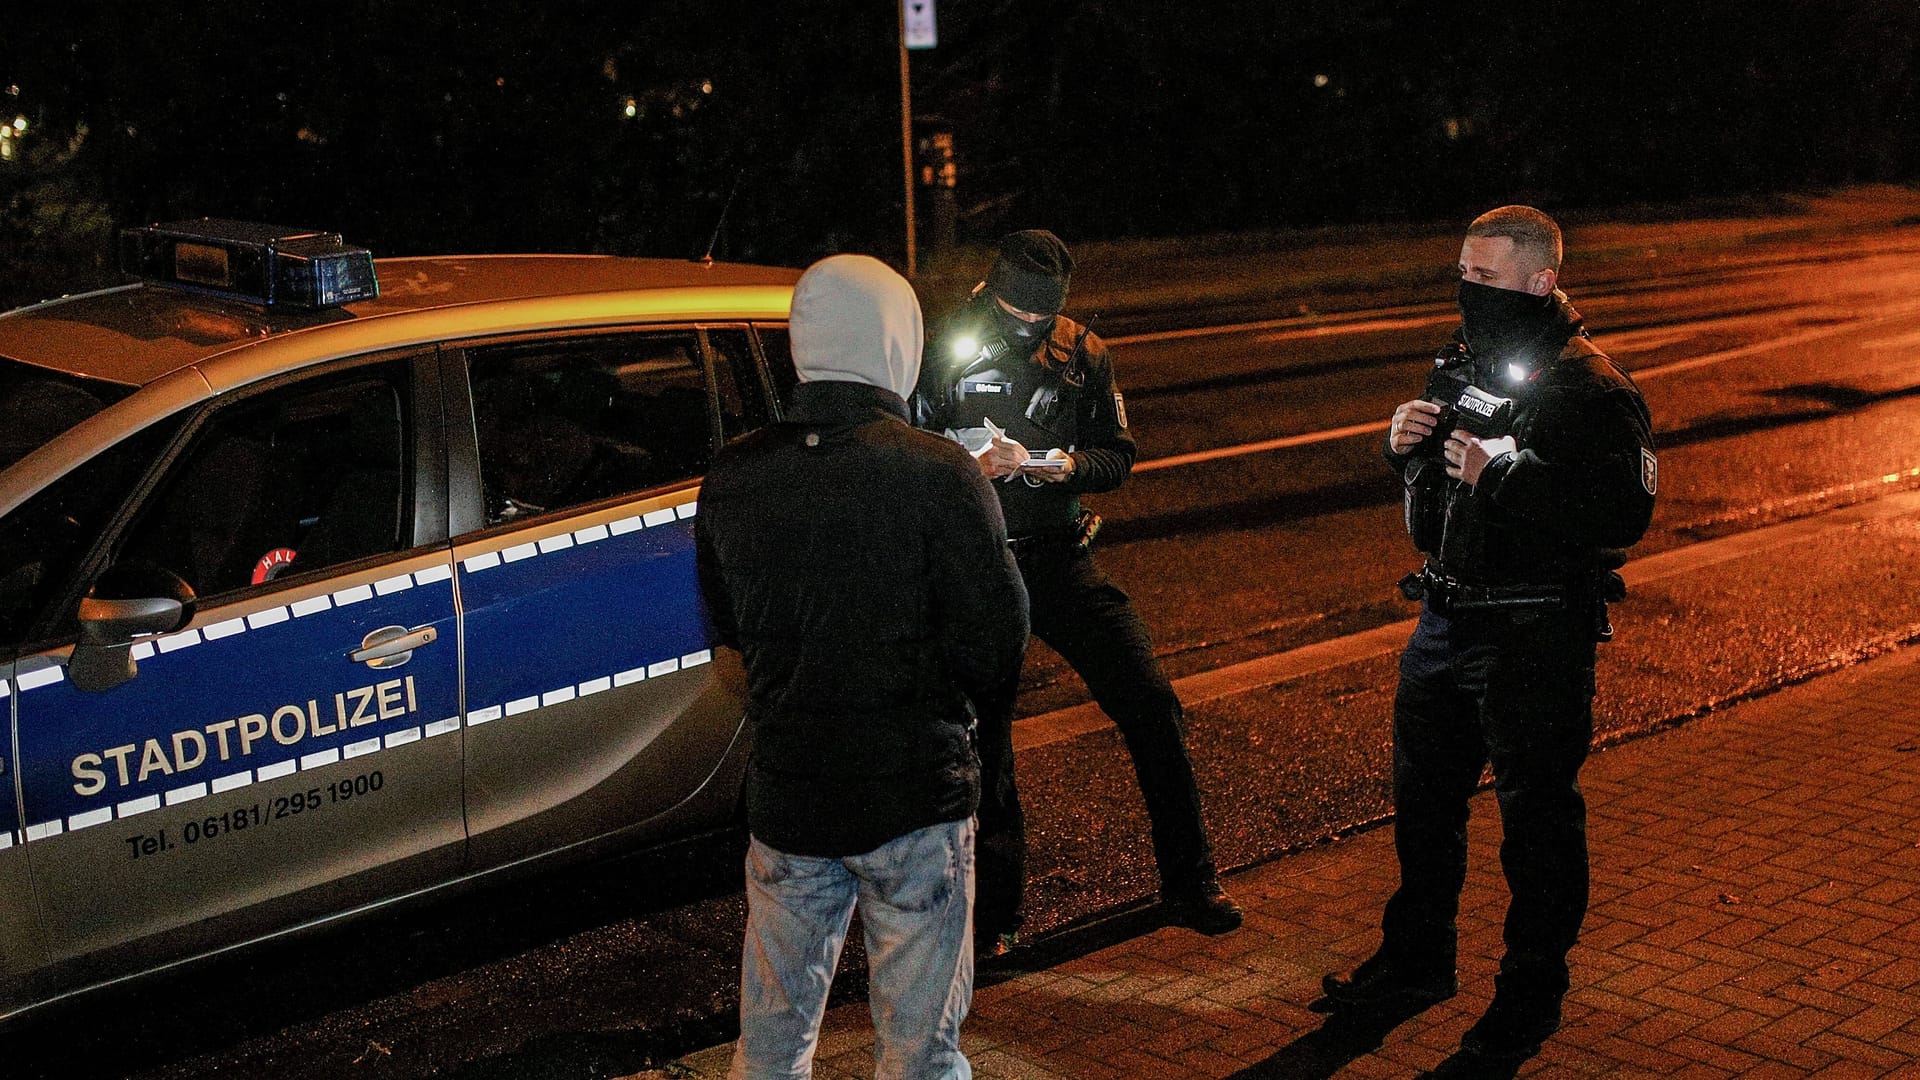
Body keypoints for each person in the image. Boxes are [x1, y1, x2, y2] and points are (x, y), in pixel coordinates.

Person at [1322, 206, 1657, 1062]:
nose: (1467, 292)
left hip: (1534, 635)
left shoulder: (1592, 387)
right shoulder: (1464, 360)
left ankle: (1530, 991)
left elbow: (1623, 514)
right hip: (1443, 619)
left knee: (1535, 823)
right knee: (1423, 808)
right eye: (1462, 274)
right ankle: (1417, 960)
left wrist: (1508, 471)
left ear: (1540, 281)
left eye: (1486, 278)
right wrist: (1402, 447)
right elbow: (1439, 483)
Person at [696, 254, 1029, 1079]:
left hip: (790, 799)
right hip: (912, 797)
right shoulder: (939, 474)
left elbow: (728, 639)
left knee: (771, 1042)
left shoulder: (733, 474)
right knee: (918, 1051)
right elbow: (997, 645)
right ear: (897, 342)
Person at [913, 229, 1241, 948]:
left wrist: (1051, 464)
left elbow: (1117, 456)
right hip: (982, 567)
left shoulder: (1084, 351)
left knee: (1151, 703)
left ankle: (1191, 881)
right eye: (1015, 316)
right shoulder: (942, 346)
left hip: (1061, 558)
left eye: (1041, 320)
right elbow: (908, 450)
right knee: (988, 745)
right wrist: (967, 468)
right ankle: (995, 923)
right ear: (990, 293)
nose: (1030, 330)